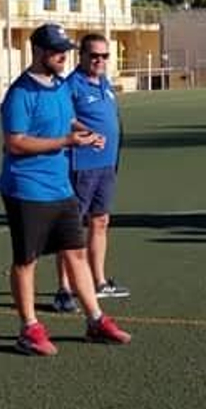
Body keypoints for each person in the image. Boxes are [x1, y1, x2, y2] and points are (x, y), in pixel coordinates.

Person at [0, 23, 132, 355]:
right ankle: (28, 327)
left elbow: (69, 118)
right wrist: (66, 141)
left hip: (60, 185)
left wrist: (85, 131)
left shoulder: (59, 86)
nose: (64, 56)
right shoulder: (20, 93)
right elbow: (15, 142)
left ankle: (95, 320)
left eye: (66, 50)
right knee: (26, 260)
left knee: (75, 251)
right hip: (27, 187)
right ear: (39, 52)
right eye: (58, 51)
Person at [53, 33, 130, 312]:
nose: (99, 60)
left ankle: (98, 280)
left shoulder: (105, 84)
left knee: (100, 221)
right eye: (94, 55)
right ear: (82, 56)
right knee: (72, 228)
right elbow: (62, 117)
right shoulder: (70, 85)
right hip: (80, 164)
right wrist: (85, 132)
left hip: (106, 165)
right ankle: (64, 289)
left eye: (104, 56)